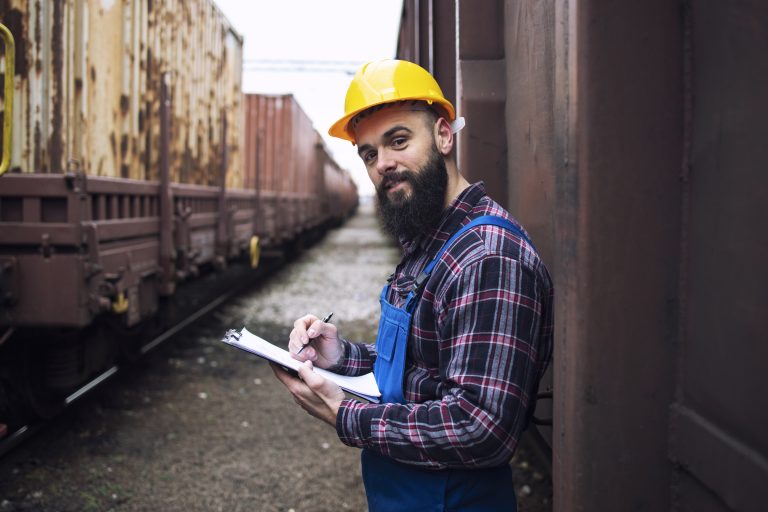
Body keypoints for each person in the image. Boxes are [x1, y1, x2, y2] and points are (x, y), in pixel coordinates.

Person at [270, 59, 553, 512]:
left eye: (398, 141)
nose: (384, 163)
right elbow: (423, 366)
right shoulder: (431, 238)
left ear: (443, 135)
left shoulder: (486, 255)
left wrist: (347, 414)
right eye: (368, 153)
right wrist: (340, 357)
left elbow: (481, 427)